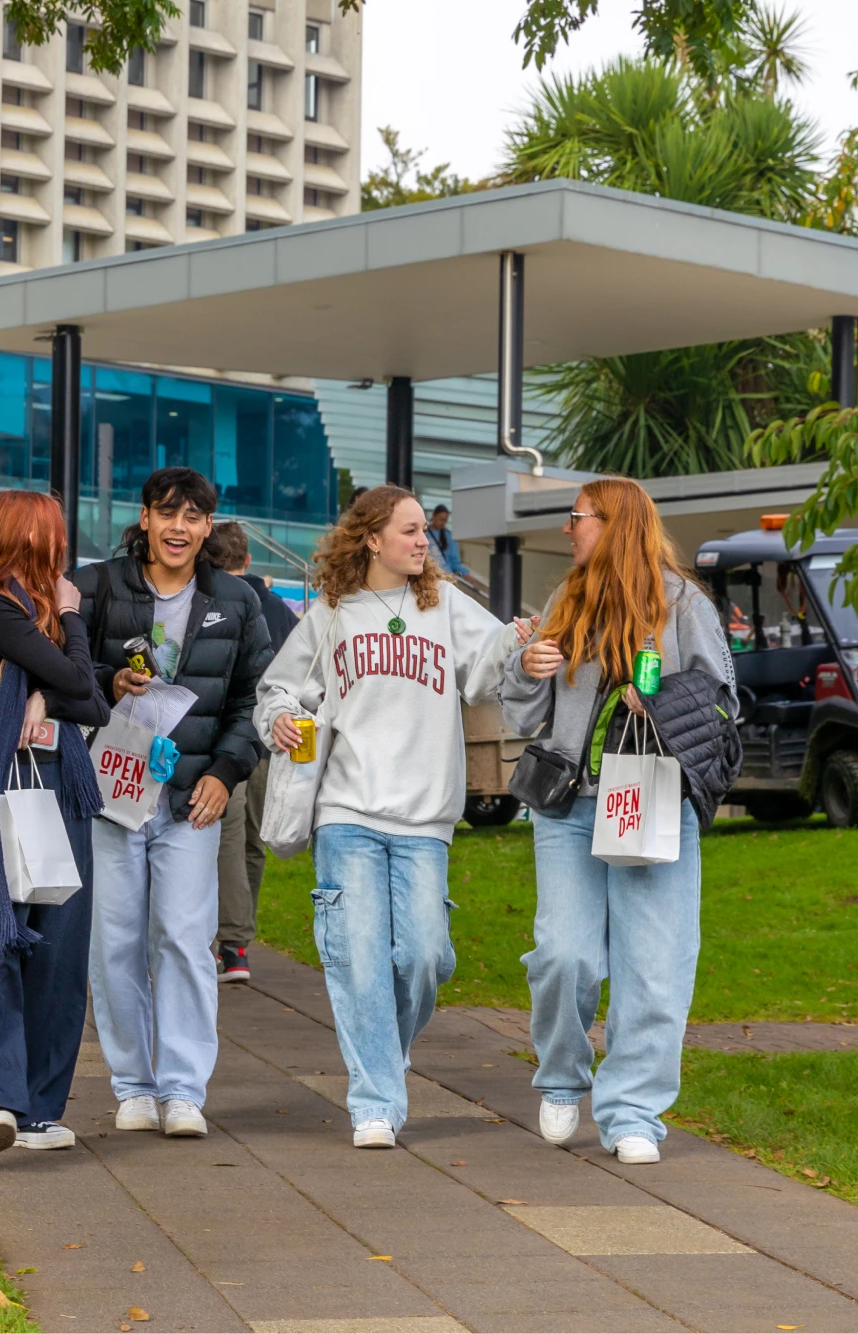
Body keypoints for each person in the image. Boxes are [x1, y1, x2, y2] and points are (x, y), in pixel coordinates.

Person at [254, 485, 522, 1149]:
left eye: (422, 532)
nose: (422, 540)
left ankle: (385, 1049)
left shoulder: (445, 605)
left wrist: (514, 642)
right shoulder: (332, 615)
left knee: (428, 955)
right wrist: (282, 718)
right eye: (408, 531)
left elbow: (484, 675)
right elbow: (279, 689)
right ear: (371, 539)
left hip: (426, 817)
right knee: (362, 961)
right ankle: (375, 1098)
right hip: (348, 811)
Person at [500, 477, 737, 1167]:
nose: (568, 529)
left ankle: (633, 1108)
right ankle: (563, 1075)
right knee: (562, 954)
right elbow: (521, 712)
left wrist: (657, 698)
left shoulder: (684, 603)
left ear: (613, 524)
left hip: (654, 799)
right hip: (571, 803)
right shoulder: (565, 598)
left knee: (655, 965)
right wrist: (526, 665)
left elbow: (726, 705)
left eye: (576, 518)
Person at [74, 469, 273, 1139]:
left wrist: (226, 771)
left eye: (193, 515)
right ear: (146, 518)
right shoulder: (100, 586)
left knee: (186, 941)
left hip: (194, 800)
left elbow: (256, 702)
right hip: (113, 793)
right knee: (116, 942)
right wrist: (107, 681)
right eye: (167, 513)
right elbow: (63, 670)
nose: (179, 526)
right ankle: (132, 1084)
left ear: (208, 527)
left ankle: (184, 1089)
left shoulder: (237, 601)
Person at [0, 489, 108, 1170]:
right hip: (4, 788)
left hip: (60, 788)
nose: (61, 546)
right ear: (26, 537)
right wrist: (69, 622)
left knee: (60, 954)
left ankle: (36, 1107)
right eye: (52, 534)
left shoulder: (31, 619)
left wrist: (46, 688)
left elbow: (88, 698)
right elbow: (79, 679)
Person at [208, 520, 297, 983]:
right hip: (276, 744)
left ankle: (229, 941)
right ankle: (239, 942)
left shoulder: (218, 601)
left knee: (225, 837)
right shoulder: (281, 609)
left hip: (234, 735)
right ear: (246, 560)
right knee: (252, 843)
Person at [426, 504, 471, 578]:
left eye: (445, 520)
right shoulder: (424, 534)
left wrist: (465, 573)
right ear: (433, 515)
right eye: (440, 519)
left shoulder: (449, 536)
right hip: (429, 576)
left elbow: (455, 561)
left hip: (445, 576)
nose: (442, 522)